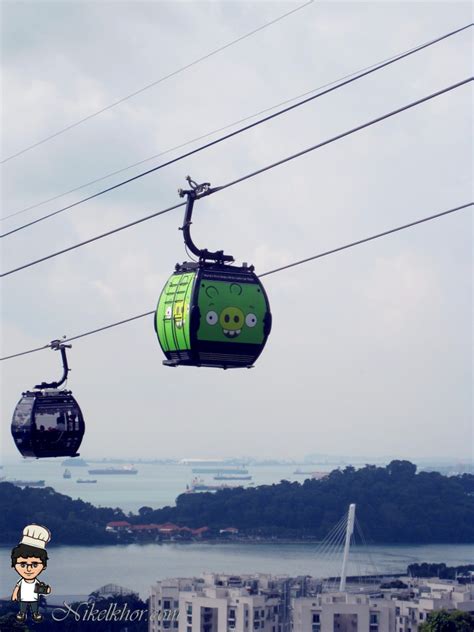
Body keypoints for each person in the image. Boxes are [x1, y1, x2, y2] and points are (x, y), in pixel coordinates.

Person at [11, 524, 52, 623]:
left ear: (43, 566)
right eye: (22, 564)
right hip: (24, 597)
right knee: (23, 606)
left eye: (34, 564)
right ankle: (22, 613)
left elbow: (40, 588)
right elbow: (17, 587)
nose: (28, 569)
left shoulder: (36, 581)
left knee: (34, 605)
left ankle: (35, 613)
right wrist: (15, 595)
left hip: (33, 598)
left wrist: (46, 590)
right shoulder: (21, 580)